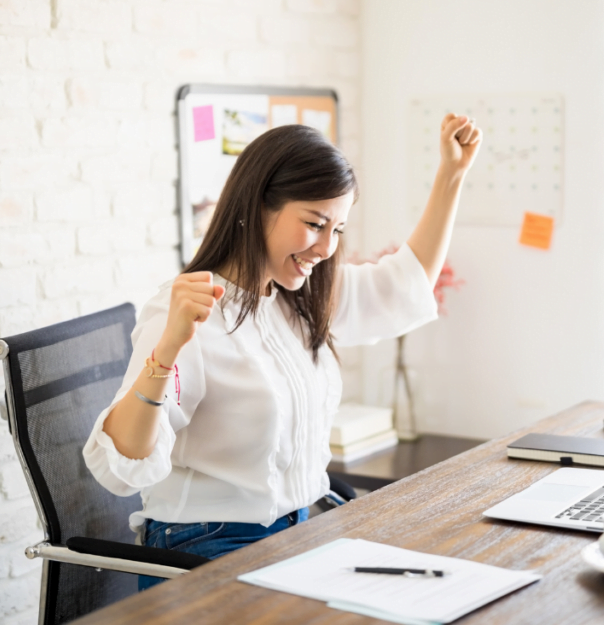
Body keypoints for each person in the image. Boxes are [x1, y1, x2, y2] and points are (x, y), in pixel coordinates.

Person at [83, 114, 483, 591]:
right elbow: (123, 465)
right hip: (208, 545)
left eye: (337, 230)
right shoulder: (190, 309)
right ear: (259, 206)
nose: (326, 248)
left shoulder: (301, 295)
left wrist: (451, 174)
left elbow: (403, 284)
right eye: (315, 224)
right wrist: (167, 349)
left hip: (302, 532)